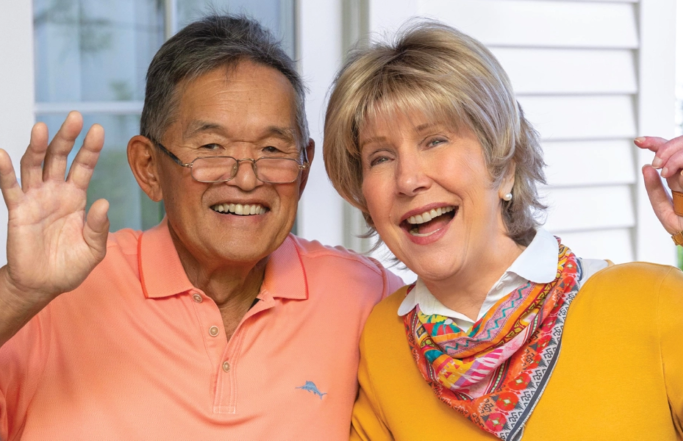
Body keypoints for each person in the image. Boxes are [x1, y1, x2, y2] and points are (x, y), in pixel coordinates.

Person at [0, 15, 403, 440]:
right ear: (148, 167)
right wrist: (18, 292)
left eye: (272, 149)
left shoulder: (365, 294)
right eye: (212, 148)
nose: (247, 179)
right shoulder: (53, 295)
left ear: (302, 172)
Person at [323, 21, 683, 440]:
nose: (408, 180)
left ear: (505, 167)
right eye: (380, 158)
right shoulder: (381, 342)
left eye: (434, 141)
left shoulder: (650, 302)